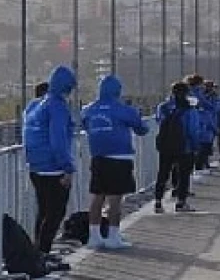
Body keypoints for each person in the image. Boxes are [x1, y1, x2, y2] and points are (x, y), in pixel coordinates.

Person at [81, 75, 149, 249]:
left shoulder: (89, 109)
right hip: (120, 157)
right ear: (118, 91)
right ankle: (113, 237)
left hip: (97, 157)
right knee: (115, 200)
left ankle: (94, 236)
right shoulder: (123, 109)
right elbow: (142, 129)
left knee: (97, 197)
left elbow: (83, 124)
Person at [22, 65, 78, 261]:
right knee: (55, 213)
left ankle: (37, 251)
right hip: (54, 169)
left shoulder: (35, 105)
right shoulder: (58, 107)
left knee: (43, 211)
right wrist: (68, 167)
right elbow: (58, 140)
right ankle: (43, 254)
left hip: (36, 167)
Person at [154, 82, 203, 213]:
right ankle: (181, 203)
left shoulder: (163, 107)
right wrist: (195, 146)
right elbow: (192, 130)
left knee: (163, 174)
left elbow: (159, 121)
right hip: (184, 146)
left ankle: (158, 202)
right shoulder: (189, 109)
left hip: (166, 145)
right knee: (184, 175)